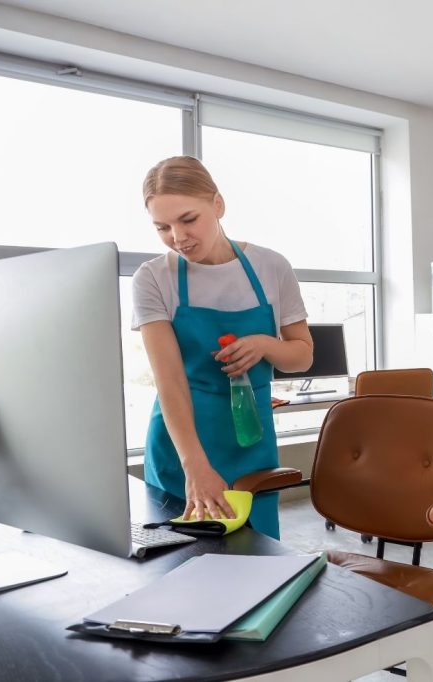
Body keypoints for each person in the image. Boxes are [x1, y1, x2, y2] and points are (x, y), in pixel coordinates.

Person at [131, 156, 313, 539]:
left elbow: (302, 355)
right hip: (180, 445)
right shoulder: (152, 278)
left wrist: (264, 344)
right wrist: (194, 466)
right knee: (179, 571)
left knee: (258, 562)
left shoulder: (272, 267)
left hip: (250, 444)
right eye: (162, 227)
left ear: (218, 204)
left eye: (188, 219)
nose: (178, 237)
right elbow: (170, 382)